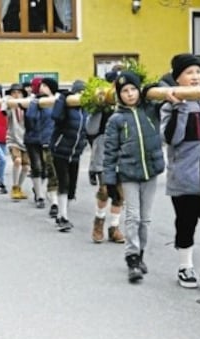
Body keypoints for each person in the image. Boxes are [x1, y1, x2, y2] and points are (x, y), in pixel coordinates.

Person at [161, 53, 200, 289]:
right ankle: (184, 266)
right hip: (183, 180)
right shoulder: (169, 105)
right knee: (185, 225)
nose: (195, 77)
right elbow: (172, 138)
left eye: (198, 72)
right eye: (189, 73)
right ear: (178, 78)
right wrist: (180, 107)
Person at [103, 71, 165, 282]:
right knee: (133, 217)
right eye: (124, 91)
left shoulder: (150, 110)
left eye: (133, 89)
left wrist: (152, 88)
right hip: (129, 173)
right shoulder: (116, 119)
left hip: (151, 171)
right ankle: (131, 258)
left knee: (145, 219)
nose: (129, 94)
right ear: (119, 95)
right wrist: (109, 179)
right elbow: (110, 152)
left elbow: (166, 89)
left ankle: (141, 254)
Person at [86, 69, 125, 244]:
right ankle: (98, 223)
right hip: (104, 150)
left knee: (119, 193)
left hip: (124, 152)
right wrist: (98, 109)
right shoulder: (102, 104)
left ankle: (114, 227)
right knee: (104, 190)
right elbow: (91, 130)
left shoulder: (130, 104)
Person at [50, 79, 89, 232]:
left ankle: (62, 213)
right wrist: (63, 98)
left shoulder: (85, 110)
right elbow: (56, 117)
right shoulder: (66, 105)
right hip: (60, 150)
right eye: (79, 92)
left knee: (72, 187)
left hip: (76, 152)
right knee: (64, 182)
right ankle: (63, 217)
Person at [24, 77, 57, 209]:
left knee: (47, 169)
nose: (41, 87)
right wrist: (34, 104)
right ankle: (40, 196)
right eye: (41, 85)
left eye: (45, 85)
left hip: (48, 139)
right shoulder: (34, 101)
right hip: (32, 138)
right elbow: (30, 117)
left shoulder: (56, 101)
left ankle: (43, 192)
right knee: (37, 167)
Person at [5, 83, 30, 200]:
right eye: (14, 92)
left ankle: (19, 187)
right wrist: (7, 101)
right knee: (17, 161)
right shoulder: (10, 105)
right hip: (13, 138)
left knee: (26, 167)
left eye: (19, 92)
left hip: (25, 139)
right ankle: (14, 187)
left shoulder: (27, 106)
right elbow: (4, 112)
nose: (16, 95)